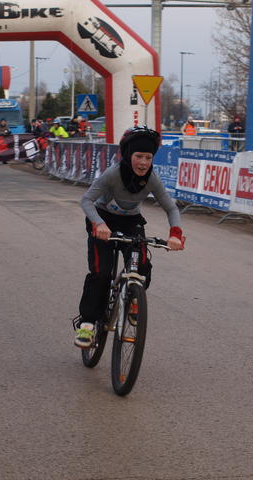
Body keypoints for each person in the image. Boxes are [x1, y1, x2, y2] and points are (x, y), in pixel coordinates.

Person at [74, 126, 185, 348]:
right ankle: (87, 324)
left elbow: (171, 208)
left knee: (141, 265)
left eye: (148, 157)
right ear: (128, 155)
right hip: (103, 221)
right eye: (138, 156)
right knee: (101, 273)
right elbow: (86, 200)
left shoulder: (152, 179)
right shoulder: (113, 174)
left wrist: (175, 234)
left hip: (130, 222)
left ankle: (134, 297)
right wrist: (99, 224)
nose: (143, 162)